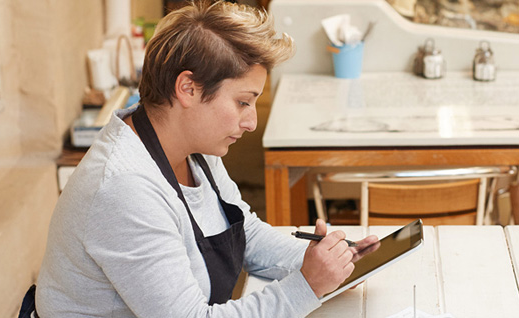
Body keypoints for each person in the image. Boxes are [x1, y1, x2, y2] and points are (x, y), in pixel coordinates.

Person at [35, 1, 379, 317]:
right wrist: (306, 285)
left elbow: (247, 234)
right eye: (243, 102)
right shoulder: (123, 189)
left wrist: (328, 261)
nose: (251, 122)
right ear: (188, 88)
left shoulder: (191, 145)